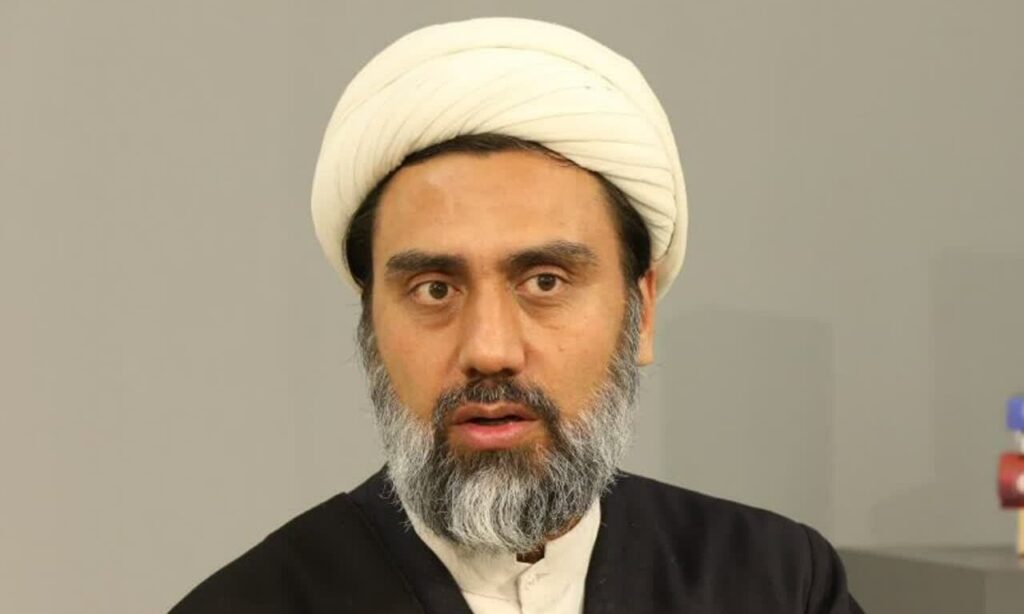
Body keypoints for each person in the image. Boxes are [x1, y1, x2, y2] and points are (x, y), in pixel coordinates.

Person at [171, 17, 863, 614]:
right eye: (435, 290)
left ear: (642, 312)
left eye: (544, 281)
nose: (490, 349)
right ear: (371, 327)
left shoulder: (776, 582)